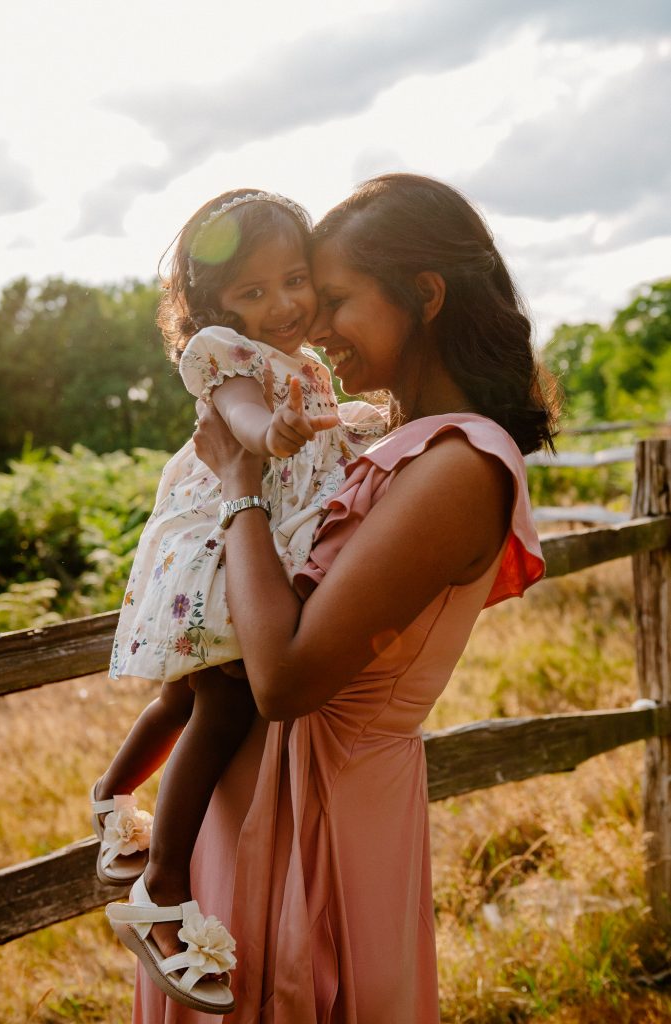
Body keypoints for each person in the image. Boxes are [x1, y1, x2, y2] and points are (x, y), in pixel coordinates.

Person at [132, 172, 559, 1024]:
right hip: (255, 794)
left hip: (324, 815)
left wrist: (239, 482)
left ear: (424, 295)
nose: (313, 326)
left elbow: (284, 680)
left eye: (332, 298)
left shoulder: (457, 465)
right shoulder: (382, 440)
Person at [95, 189, 387, 1016]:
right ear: (218, 306)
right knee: (220, 702)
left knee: (187, 695)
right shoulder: (230, 358)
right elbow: (244, 418)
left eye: (293, 280)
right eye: (253, 292)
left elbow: (322, 424)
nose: (283, 305)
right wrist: (269, 439)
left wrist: (354, 422)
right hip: (227, 537)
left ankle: (110, 798)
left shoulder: (304, 362)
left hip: (251, 530)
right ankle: (163, 883)